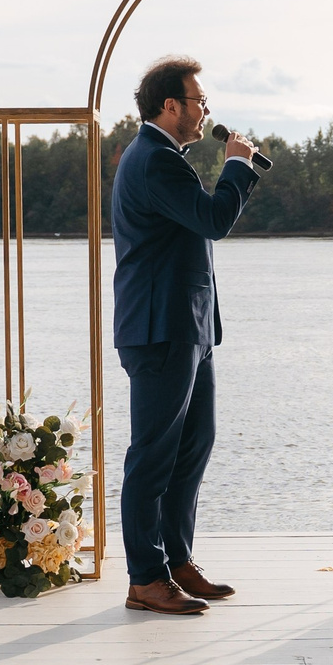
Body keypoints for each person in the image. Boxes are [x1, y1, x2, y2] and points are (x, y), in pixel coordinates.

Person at [111, 54, 261, 615]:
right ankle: (145, 578)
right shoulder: (154, 159)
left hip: (189, 328)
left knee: (193, 446)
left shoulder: (164, 157)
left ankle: (176, 560)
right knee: (153, 455)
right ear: (170, 105)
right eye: (199, 101)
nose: (205, 111)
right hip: (160, 329)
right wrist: (237, 166)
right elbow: (213, 220)